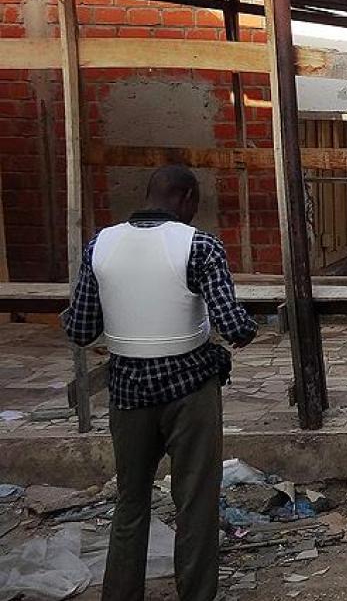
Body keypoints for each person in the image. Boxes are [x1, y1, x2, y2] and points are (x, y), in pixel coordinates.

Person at [62, 165, 257, 601]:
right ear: (187, 198)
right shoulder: (199, 246)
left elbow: (79, 329)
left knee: (131, 501)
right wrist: (248, 329)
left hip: (128, 391)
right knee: (195, 502)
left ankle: (121, 593)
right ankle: (197, 593)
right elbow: (233, 324)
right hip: (189, 390)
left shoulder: (101, 245)